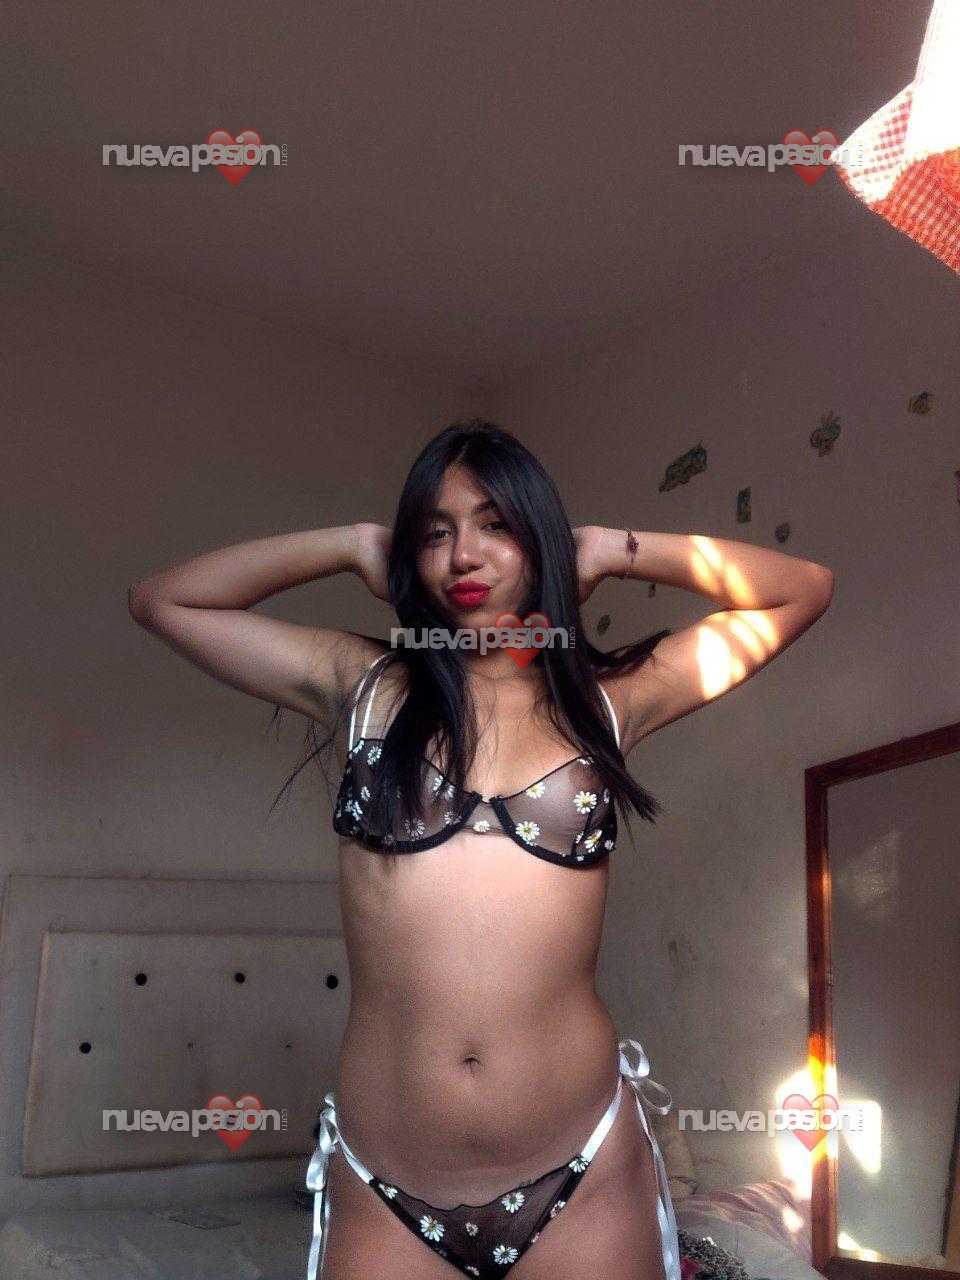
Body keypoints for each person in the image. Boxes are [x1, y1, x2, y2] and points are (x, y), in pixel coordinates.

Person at [127, 419, 835, 1279]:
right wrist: (351, 546)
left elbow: (801, 591)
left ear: (541, 540)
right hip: (385, 1183)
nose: (463, 554)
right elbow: (165, 602)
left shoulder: (610, 701)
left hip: (582, 1168)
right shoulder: (363, 686)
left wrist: (612, 549)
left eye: (496, 524)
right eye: (435, 532)